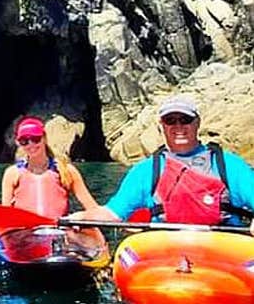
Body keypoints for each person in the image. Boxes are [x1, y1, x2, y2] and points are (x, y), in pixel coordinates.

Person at [69, 95, 254, 235]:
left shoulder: (229, 165)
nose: (178, 126)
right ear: (162, 126)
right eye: (170, 121)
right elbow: (113, 213)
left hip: (223, 246)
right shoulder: (145, 170)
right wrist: (83, 217)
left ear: (197, 123)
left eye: (185, 120)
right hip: (166, 251)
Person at [1, 116, 98, 217]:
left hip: (57, 230)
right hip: (25, 231)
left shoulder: (66, 170)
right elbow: (5, 215)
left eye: (35, 139)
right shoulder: (12, 174)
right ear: (18, 143)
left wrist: (80, 217)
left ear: (44, 138)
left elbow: (93, 209)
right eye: (24, 141)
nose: (31, 145)